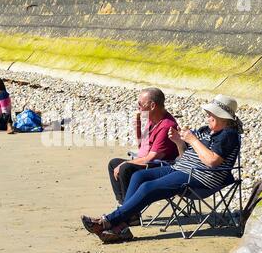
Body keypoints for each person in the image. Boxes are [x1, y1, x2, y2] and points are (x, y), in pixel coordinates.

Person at [82, 94, 243, 243]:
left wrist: (193, 140)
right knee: (139, 176)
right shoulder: (206, 131)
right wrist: (179, 143)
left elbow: (212, 162)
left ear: (222, 117)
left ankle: (109, 221)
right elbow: (183, 157)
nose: (207, 117)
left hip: (201, 177)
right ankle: (122, 223)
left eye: (210, 115)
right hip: (181, 168)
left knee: (148, 187)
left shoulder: (227, 135)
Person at [108, 87, 179, 206]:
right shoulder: (152, 120)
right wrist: (137, 127)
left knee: (125, 168)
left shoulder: (166, 126)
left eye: (140, 104)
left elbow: (151, 158)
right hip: (150, 161)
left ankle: (130, 211)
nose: (138, 107)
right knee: (113, 163)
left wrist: (125, 164)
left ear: (152, 106)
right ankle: (123, 204)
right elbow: (143, 148)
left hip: (161, 166)